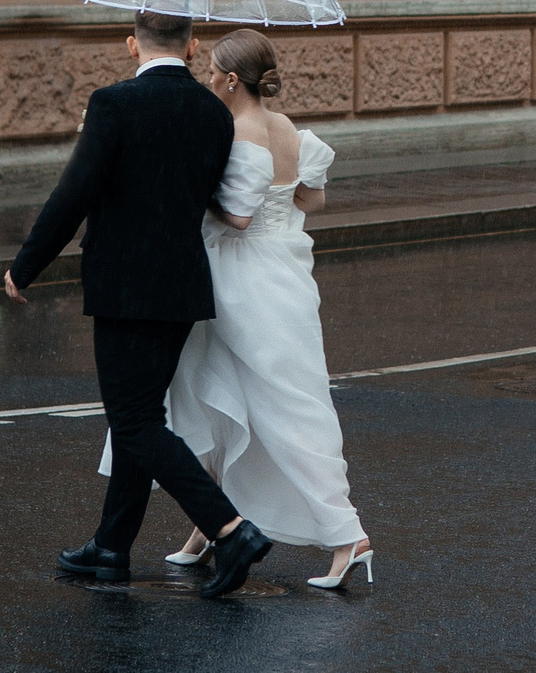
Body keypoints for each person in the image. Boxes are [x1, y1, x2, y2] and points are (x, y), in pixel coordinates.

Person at [4, 9, 276, 600]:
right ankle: (111, 546)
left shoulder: (113, 104)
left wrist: (26, 264)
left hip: (125, 286)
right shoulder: (213, 111)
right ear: (193, 46)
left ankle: (230, 530)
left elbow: (74, 193)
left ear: (133, 45)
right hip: (181, 285)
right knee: (140, 415)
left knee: (134, 420)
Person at [147, 29, 374, 591]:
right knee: (225, 396)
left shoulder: (241, 131)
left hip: (241, 280)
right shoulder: (284, 126)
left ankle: (347, 535)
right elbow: (312, 199)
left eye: (211, 72)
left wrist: (195, 191)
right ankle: (209, 525)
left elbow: (239, 217)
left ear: (230, 79)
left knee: (275, 406)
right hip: (284, 272)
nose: (205, 80)